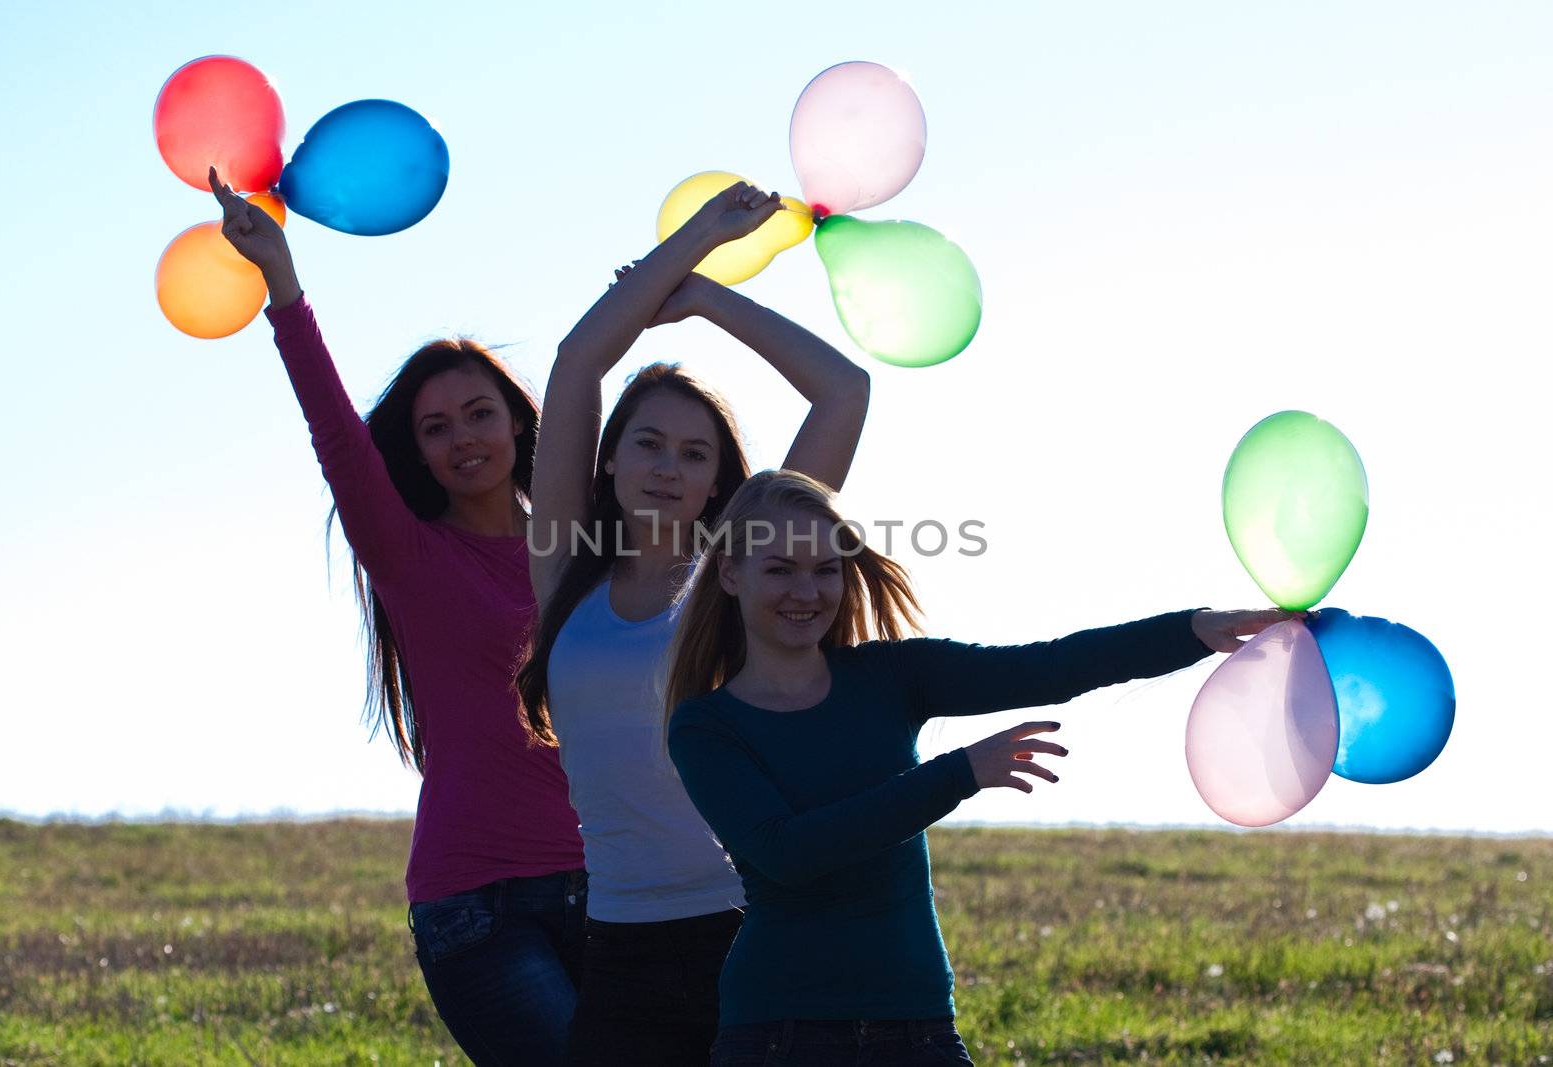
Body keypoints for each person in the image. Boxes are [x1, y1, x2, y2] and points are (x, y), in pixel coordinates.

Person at [663, 470, 1290, 1066]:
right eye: (780, 570)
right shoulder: (705, 727)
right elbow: (787, 853)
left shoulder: (893, 676)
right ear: (730, 574)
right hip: (780, 1034)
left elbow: (1048, 667)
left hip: (916, 1021)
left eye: (826, 571)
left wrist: (1193, 630)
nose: (807, 593)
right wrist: (958, 774)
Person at [210, 169, 586, 1066]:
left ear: (518, 424)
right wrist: (282, 284)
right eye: (435, 427)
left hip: (610, 888)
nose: (462, 439)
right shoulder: (414, 557)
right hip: (477, 905)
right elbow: (337, 434)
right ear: (414, 450)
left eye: (478, 414)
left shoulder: (582, 551)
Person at [515, 182, 871, 1065]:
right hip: (619, 944)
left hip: (746, 929)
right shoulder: (563, 564)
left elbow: (843, 391)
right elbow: (575, 362)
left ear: (719, 482)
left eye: (694, 452)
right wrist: (697, 239)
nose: (668, 467)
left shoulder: (738, 572)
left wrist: (707, 295)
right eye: (648, 442)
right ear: (609, 460)